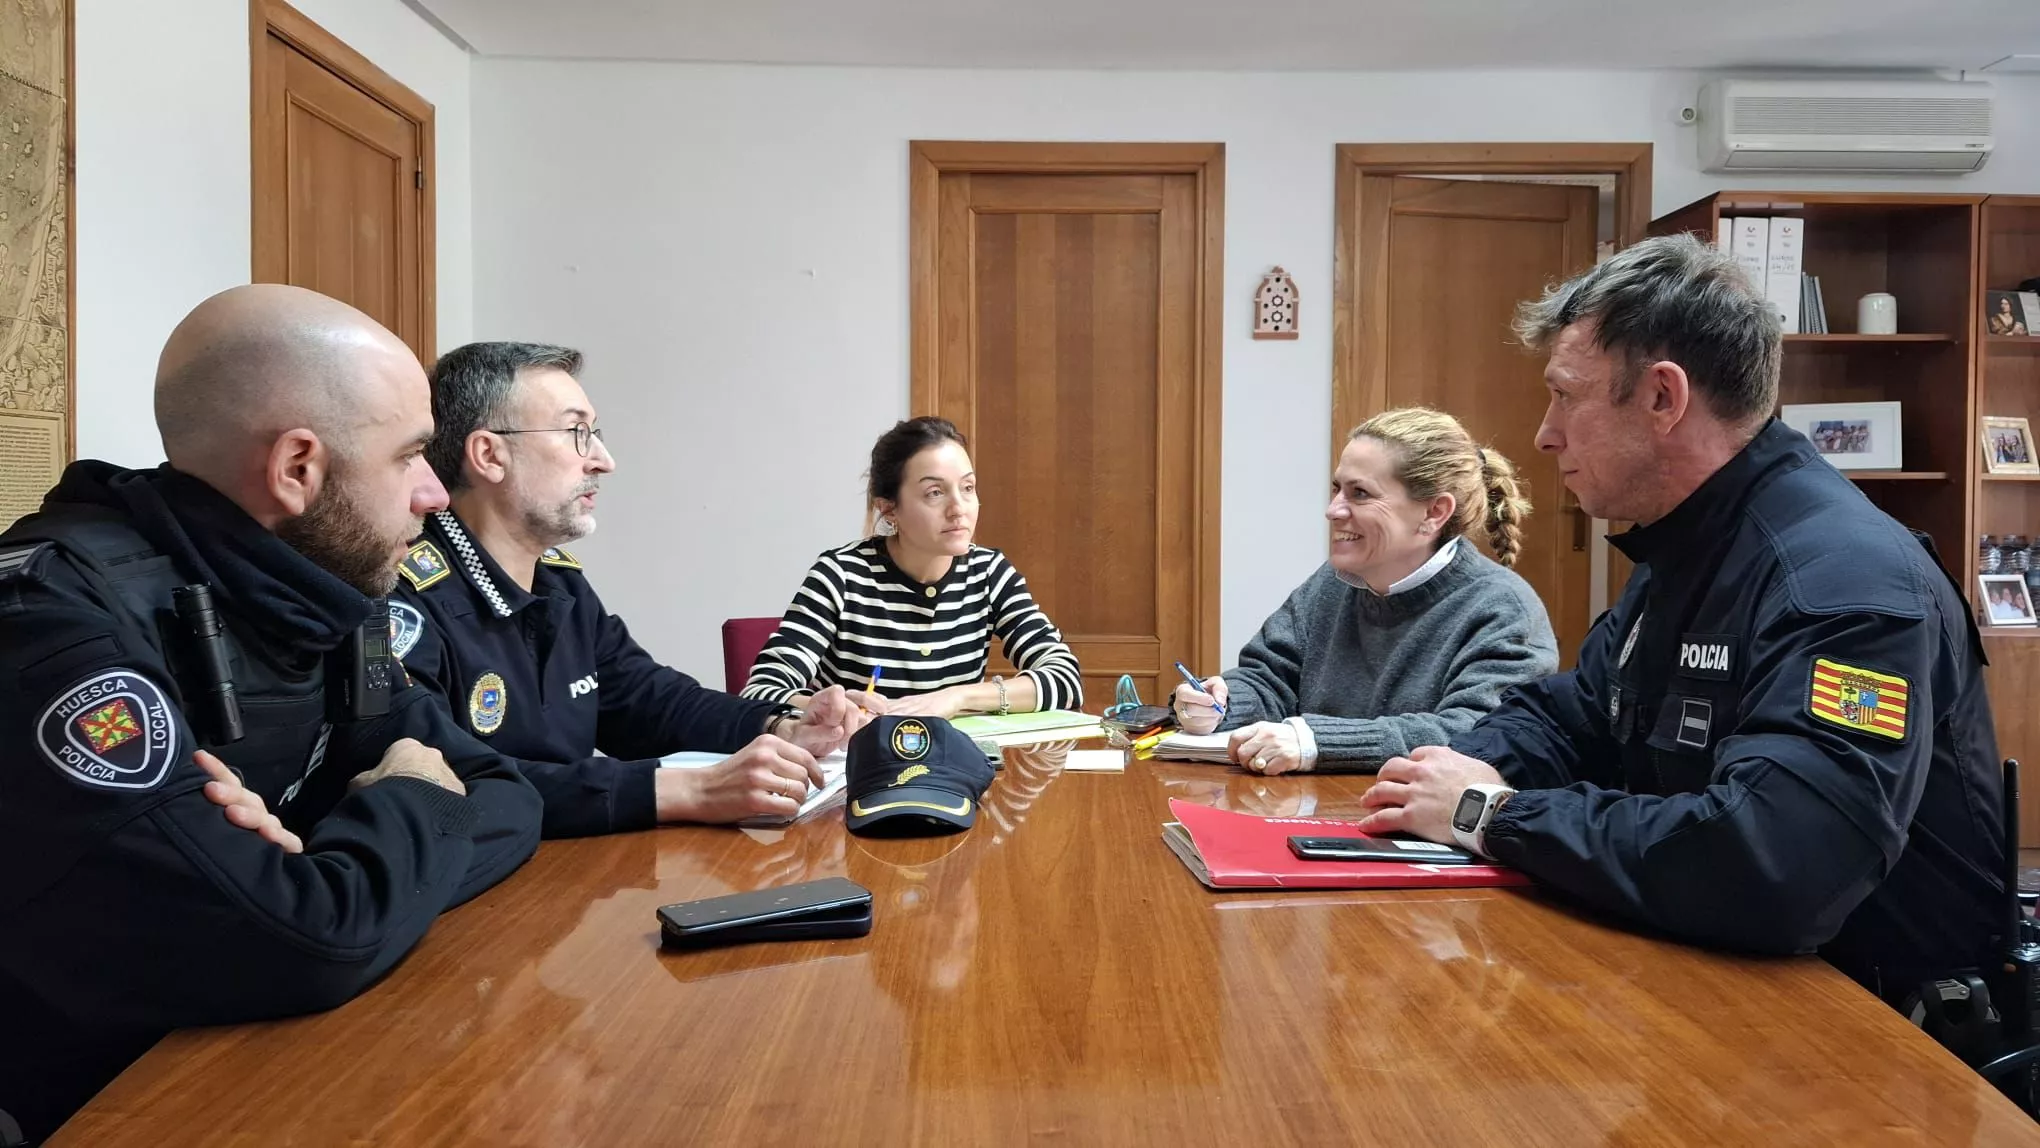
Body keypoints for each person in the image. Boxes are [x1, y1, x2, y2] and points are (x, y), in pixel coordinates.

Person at [1354, 233, 2004, 1002]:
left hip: (1870, 1015)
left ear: (1664, 397)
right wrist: (1447, 773)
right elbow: (1572, 716)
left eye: (1566, 395)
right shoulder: (1691, 549)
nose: (1544, 434)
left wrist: (1491, 813)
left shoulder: (1843, 579)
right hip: (1706, 965)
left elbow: (1777, 866)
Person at [0, 286, 544, 1143]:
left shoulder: (318, 593)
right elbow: (305, 945)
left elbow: (507, 795)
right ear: (297, 469)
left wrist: (334, 871)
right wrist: (406, 806)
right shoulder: (51, 624)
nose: (435, 495)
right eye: (411, 455)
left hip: (253, 1063)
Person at [392, 342, 865, 838]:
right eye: (576, 433)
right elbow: (446, 780)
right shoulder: (404, 597)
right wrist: (688, 791)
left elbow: (648, 701)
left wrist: (781, 725)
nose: (603, 460)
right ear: (490, 455)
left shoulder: (559, 582)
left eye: (594, 434)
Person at [1171, 408, 1558, 774]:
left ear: (1434, 513)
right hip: (1311, 805)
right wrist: (1222, 703)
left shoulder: (1504, 609)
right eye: (1337, 489)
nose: (1333, 510)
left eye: (1360, 494)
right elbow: (1271, 677)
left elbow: (1476, 732)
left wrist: (1316, 742)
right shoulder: (1332, 583)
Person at [742, 416, 1082, 717]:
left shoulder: (989, 572)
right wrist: (828, 708)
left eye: (967, 487)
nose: (958, 508)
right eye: (935, 493)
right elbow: (760, 692)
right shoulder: (841, 575)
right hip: (856, 763)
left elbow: (1064, 677)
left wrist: (956, 697)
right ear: (889, 509)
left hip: (954, 763)